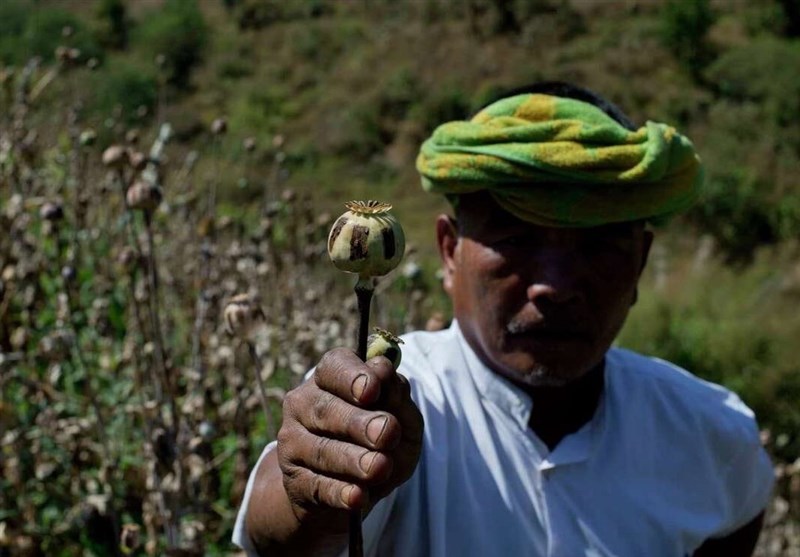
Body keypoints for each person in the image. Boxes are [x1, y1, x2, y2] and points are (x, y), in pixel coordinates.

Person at [232, 82, 775, 556]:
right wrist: (310, 494)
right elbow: (278, 530)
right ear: (450, 252)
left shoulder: (712, 434)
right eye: (517, 239)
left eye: (597, 246)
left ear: (641, 263)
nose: (554, 286)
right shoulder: (388, 400)